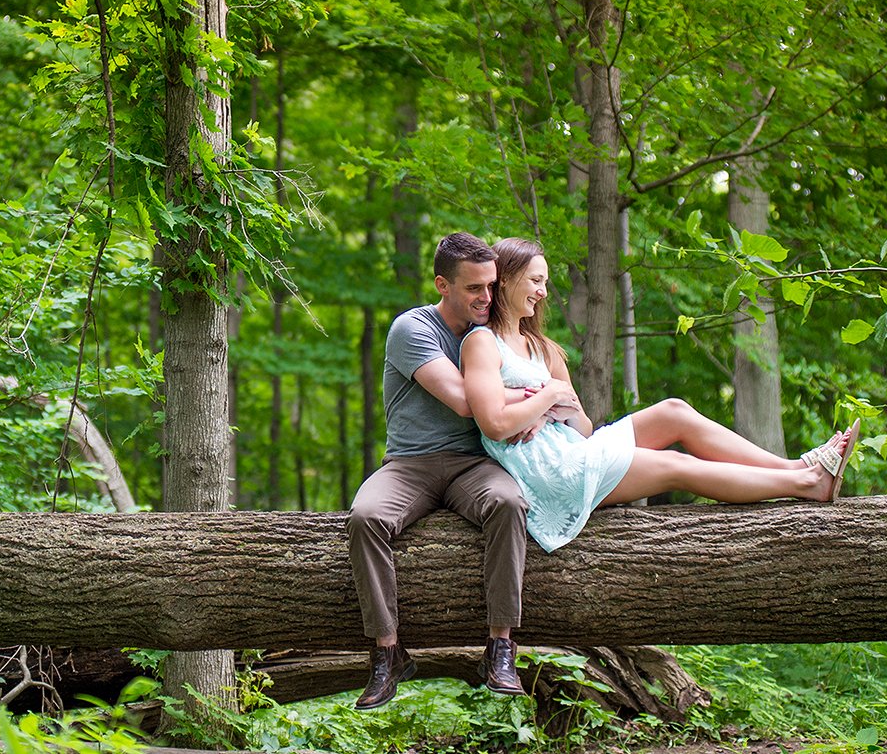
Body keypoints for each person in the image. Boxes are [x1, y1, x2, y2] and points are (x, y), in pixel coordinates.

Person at [459, 237, 860, 554]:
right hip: (553, 474)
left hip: (575, 450)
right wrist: (547, 398)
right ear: (507, 279)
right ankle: (808, 484)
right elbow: (494, 424)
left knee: (674, 411)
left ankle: (793, 466)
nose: (544, 292)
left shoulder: (543, 348)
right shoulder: (482, 343)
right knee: (673, 464)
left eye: (545, 281)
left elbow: (580, 427)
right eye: (536, 281)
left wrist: (553, 405)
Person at [347, 233, 536, 710]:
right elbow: (463, 400)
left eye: (492, 286)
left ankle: (499, 648)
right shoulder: (412, 329)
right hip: (411, 465)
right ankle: (388, 654)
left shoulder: (491, 332)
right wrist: (538, 397)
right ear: (442, 285)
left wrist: (534, 403)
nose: (486, 298)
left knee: (510, 503)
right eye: (474, 288)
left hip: (475, 464)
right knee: (365, 517)